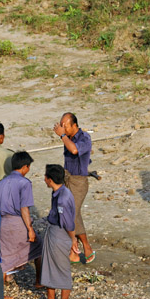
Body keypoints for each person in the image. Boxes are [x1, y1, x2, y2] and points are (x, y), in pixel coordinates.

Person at [35, 164, 80, 299]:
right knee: (48, 266)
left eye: (46, 177)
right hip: (53, 232)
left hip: (60, 235)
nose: (44, 179)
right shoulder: (60, 192)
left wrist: (73, 241)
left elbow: (68, 224)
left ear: (50, 179)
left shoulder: (62, 198)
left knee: (62, 270)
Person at [0, 151, 42, 283]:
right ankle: (39, 280)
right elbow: (24, 209)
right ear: (25, 167)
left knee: (5, 257)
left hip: (4, 225)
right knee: (39, 247)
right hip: (18, 223)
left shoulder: (0, 184)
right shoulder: (24, 183)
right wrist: (30, 229)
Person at [53, 112, 95, 263]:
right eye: (61, 125)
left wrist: (62, 136)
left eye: (65, 126)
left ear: (74, 125)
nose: (63, 128)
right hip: (67, 179)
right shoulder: (68, 138)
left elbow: (74, 150)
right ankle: (81, 246)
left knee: (71, 213)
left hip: (79, 182)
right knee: (71, 214)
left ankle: (77, 246)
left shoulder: (84, 138)